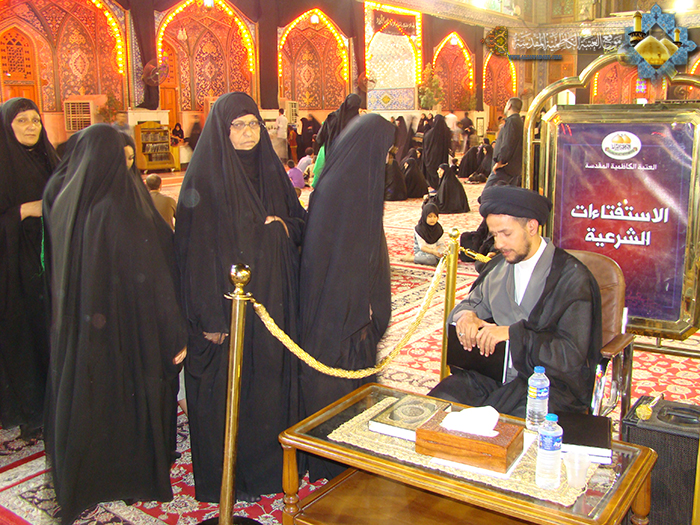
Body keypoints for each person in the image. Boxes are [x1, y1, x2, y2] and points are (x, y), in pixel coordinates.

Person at [42, 124, 187, 524]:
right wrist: (174, 333)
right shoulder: (121, 208)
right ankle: (133, 473)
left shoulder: (71, 200)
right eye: (121, 158)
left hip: (89, 329)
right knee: (132, 403)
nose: (128, 167)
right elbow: (153, 277)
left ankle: (99, 474)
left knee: (99, 403)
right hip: (133, 327)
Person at [174, 92, 306, 502]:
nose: (248, 133)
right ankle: (232, 478)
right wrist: (210, 318)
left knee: (268, 388)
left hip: (274, 306)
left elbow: (301, 224)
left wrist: (281, 227)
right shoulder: (204, 180)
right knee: (231, 392)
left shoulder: (272, 173)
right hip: (225, 309)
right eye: (238, 126)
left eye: (254, 125)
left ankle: (270, 470)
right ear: (222, 130)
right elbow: (193, 255)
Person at [428, 186, 602, 417]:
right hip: (491, 377)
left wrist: (512, 335)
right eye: (494, 235)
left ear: (531, 226)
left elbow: (570, 355)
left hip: (547, 385)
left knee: (510, 431)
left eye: (506, 234)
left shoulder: (572, 279)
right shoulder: (498, 268)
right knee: (437, 408)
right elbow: (471, 304)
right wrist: (466, 316)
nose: (498, 244)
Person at [299, 113, 394, 482]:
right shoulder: (342, 189)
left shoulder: (352, 181)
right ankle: (334, 459)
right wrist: (362, 307)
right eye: (384, 152)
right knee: (335, 383)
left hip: (347, 310)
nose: (386, 160)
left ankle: (350, 452)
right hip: (336, 315)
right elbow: (337, 257)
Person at [0, 97, 59, 439]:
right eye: (22, 121)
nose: (31, 127)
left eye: (35, 120)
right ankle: (30, 412)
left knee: (52, 332)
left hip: (49, 264)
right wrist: (24, 211)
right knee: (25, 337)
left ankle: (56, 405)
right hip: (15, 271)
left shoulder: (49, 160)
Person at [312, 93, 361, 187]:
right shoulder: (358, 121)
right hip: (350, 158)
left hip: (331, 154)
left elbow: (320, 137)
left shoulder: (332, 117)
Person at [485, 97, 524, 189]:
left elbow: (508, 143)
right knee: (506, 194)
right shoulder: (519, 121)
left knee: (488, 193)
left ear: (509, 106)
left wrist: (500, 161)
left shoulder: (511, 121)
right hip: (514, 167)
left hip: (504, 167)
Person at [421, 113, 451, 190]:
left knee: (434, 169)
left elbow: (425, 142)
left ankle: (434, 184)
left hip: (432, 157)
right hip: (442, 156)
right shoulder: (446, 132)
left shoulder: (431, 133)